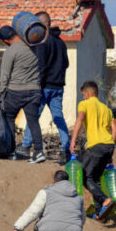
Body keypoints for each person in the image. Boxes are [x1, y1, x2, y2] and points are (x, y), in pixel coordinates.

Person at [20, 11, 71, 164]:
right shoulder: (61, 42)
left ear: (41, 24)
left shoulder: (42, 42)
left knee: (33, 116)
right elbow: (66, 64)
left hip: (43, 87)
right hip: (58, 87)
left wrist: (36, 85)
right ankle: (66, 150)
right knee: (58, 117)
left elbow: (40, 66)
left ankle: (25, 146)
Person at [8, 170, 85, 231]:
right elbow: (82, 219)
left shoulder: (46, 192)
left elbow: (32, 212)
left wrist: (18, 228)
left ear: (54, 182)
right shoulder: (79, 198)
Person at [0, 25, 46, 163]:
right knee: (33, 121)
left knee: (9, 118)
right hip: (34, 91)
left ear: (6, 40)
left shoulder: (10, 51)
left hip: (15, 91)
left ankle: (11, 152)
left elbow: (4, 77)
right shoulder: (34, 47)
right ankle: (39, 152)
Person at [69, 80, 116, 221]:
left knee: (85, 176)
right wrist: (111, 148)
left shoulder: (84, 104)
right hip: (108, 146)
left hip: (96, 146)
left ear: (88, 93)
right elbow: (115, 129)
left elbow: (80, 119)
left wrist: (73, 140)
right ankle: (99, 213)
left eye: (83, 94)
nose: (83, 97)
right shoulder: (106, 109)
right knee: (95, 178)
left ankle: (105, 200)